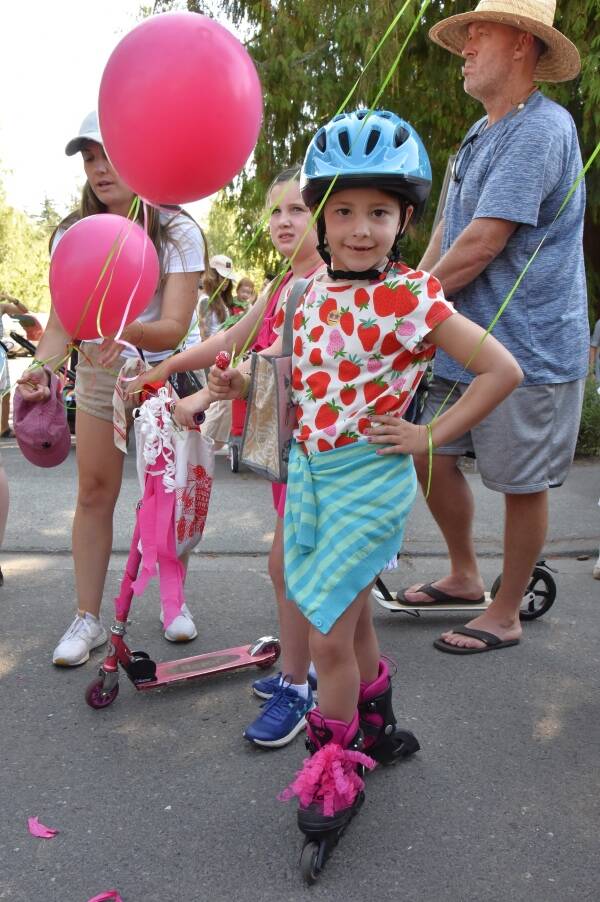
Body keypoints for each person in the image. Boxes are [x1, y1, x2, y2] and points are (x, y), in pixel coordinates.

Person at [203, 109, 522, 851]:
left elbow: (501, 369)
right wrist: (232, 386)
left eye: (378, 211)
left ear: (404, 217)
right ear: (319, 218)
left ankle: (330, 765)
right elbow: (298, 384)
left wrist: (428, 434)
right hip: (314, 477)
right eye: (341, 210)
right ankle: (373, 728)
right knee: (354, 623)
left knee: (324, 643)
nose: (358, 228)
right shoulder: (310, 295)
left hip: (369, 483)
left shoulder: (412, 298)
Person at [399, 1, 588, 654]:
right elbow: (449, 236)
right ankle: (463, 574)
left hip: (527, 348)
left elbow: (482, 244)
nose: (466, 42)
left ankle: (506, 610)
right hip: (466, 340)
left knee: (519, 481)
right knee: (429, 452)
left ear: (521, 44)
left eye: (481, 30)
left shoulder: (542, 129)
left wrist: (403, 308)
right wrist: (408, 298)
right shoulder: (479, 136)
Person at [137, 166, 325, 748]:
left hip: (315, 453)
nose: (284, 221)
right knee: (292, 565)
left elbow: (273, 353)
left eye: (298, 209)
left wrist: (201, 393)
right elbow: (230, 339)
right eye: (276, 211)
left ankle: (304, 684)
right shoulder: (278, 284)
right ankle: (302, 669)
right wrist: (167, 368)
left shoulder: (319, 284)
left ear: (326, 215)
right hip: (283, 451)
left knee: (291, 566)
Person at [15, 111, 207, 665]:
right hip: (101, 375)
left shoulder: (178, 230)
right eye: (89, 157)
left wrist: (122, 331)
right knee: (95, 493)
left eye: (109, 153)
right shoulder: (72, 232)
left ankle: (173, 603)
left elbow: (173, 327)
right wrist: (42, 371)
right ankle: (87, 618)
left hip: (163, 373)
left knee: (166, 497)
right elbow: (59, 324)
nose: (99, 168)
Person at [0, 292, 31, 437]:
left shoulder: (2, 306)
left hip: (0, 351)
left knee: (5, 390)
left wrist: (13, 299)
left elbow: (24, 311)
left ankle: (4, 427)